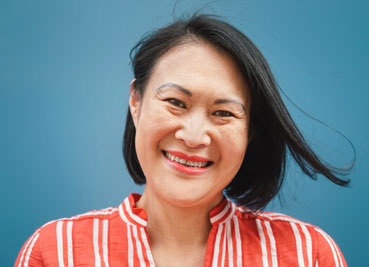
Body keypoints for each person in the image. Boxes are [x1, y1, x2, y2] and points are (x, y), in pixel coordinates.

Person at [15, 14, 351, 267]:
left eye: (224, 113)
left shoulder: (309, 253)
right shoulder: (55, 251)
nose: (192, 137)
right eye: (176, 103)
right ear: (136, 102)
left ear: (251, 132)